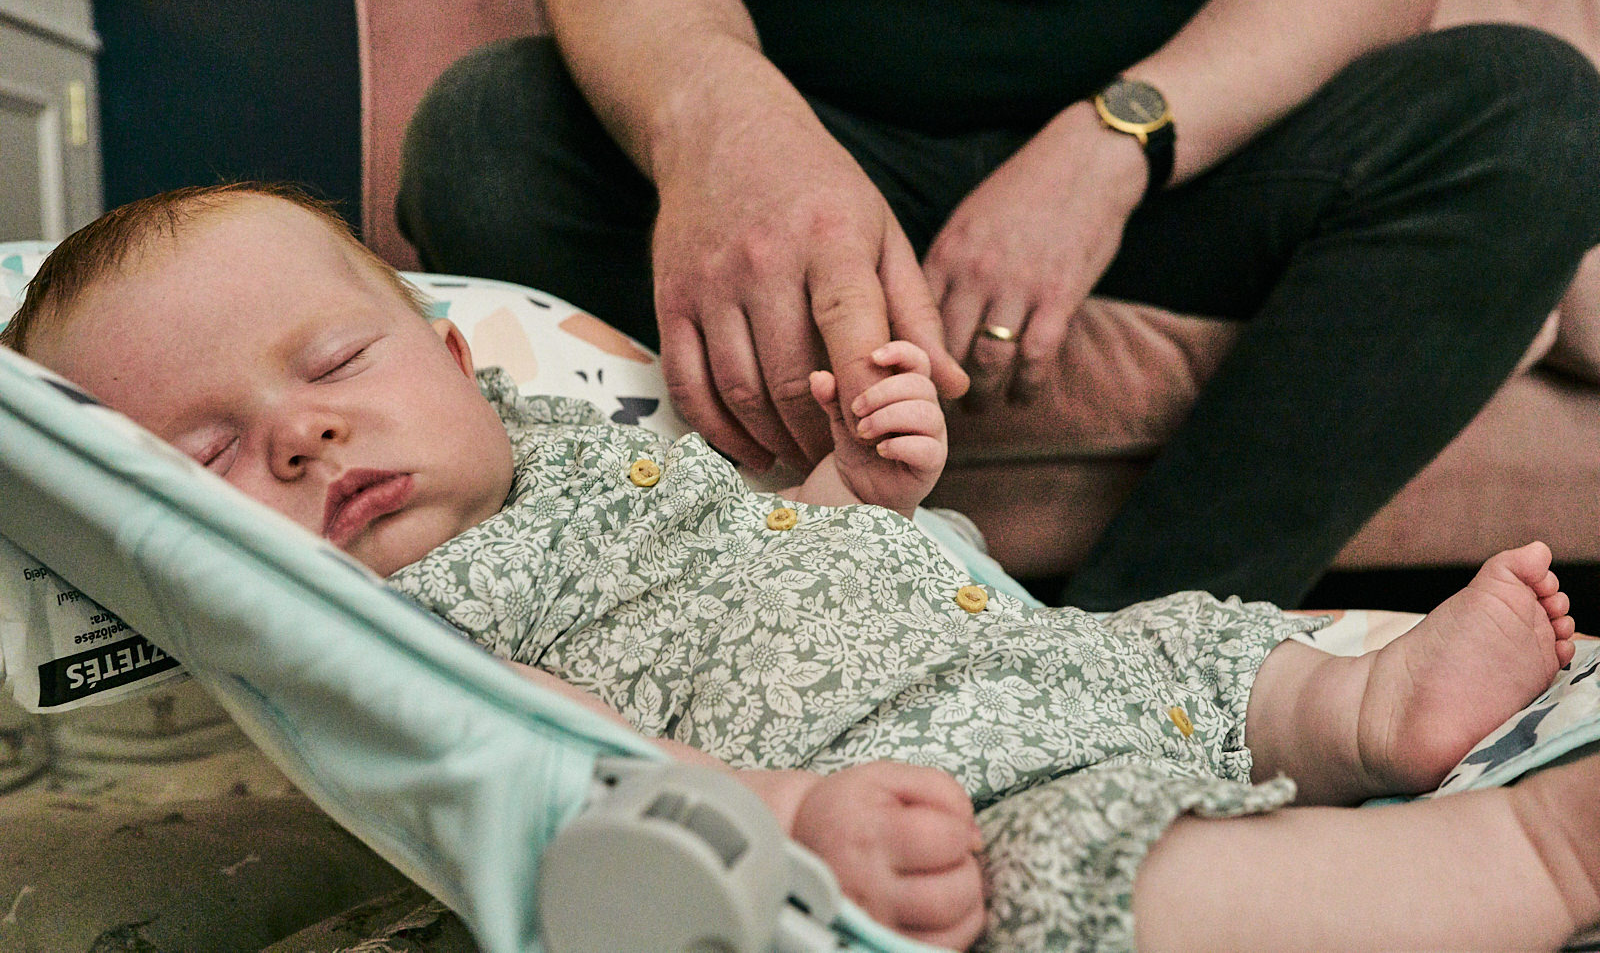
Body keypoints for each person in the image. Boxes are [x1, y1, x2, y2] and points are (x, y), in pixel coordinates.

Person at [7, 183, 1599, 951]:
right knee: (1055, 863)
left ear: (446, 350)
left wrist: (861, 481)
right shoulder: (414, 618)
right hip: (906, 760)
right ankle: (1502, 869)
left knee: (1199, 648)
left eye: (335, 359)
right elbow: (561, 757)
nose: (297, 436)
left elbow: (775, 558)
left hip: (1034, 643)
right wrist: (785, 823)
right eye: (208, 458)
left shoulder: (566, 434)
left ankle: (1372, 706)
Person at [396, 0, 1600, 612]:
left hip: (1149, 175)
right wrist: (736, 128)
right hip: (809, 155)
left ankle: (1131, 653)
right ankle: (772, 625)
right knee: (486, 140)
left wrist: (1112, 145)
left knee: (1534, 114)